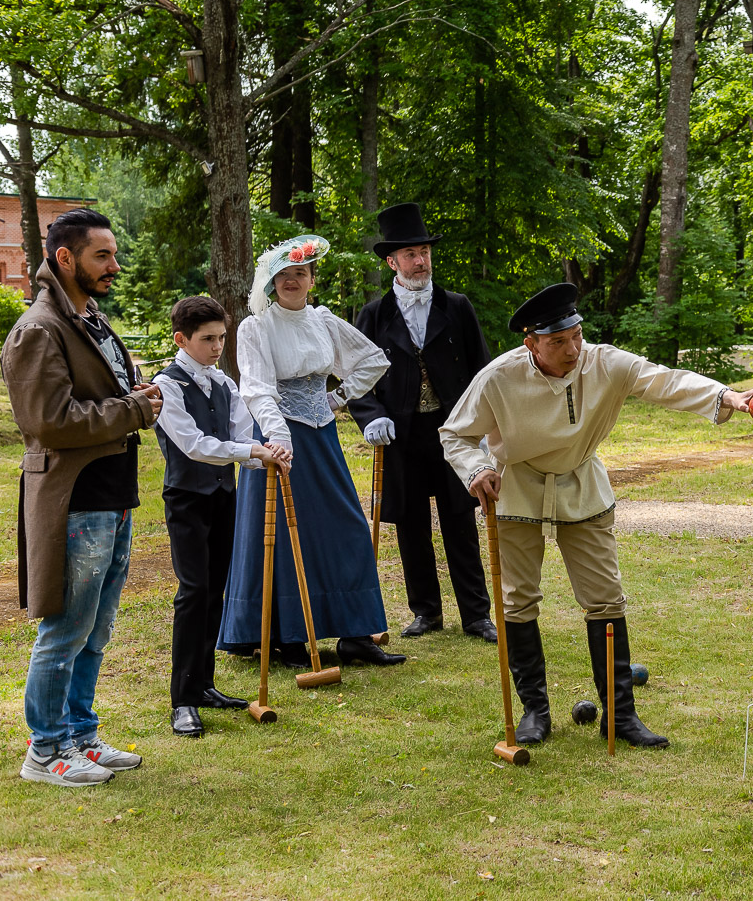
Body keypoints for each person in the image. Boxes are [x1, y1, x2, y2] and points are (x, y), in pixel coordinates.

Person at [439, 283, 753, 748]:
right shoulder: (499, 377)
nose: (572, 349)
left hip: (581, 483)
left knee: (605, 598)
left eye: (576, 335)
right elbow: (454, 434)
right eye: (557, 342)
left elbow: (664, 380)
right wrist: (477, 469)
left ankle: (619, 715)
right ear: (531, 343)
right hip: (516, 485)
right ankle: (535, 712)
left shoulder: (604, 362)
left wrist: (728, 398)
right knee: (518, 601)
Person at [4, 208, 161, 786]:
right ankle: (44, 752)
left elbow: (99, 394)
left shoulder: (88, 319)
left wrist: (132, 393)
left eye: (114, 255)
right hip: (74, 500)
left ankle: (80, 737)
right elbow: (48, 421)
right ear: (64, 258)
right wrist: (135, 409)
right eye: (103, 256)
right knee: (64, 630)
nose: (115, 266)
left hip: (111, 494)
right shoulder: (39, 329)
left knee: (95, 629)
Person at [216, 234, 405, 667]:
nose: (292, 280)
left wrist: (338, 400)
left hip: (322, 437)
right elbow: (258, 389)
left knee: (347, 528)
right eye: (284, 274)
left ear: (311, 279)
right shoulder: (256, 327)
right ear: (271, 282)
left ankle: (356, 635)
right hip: (280, 442)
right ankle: (285, 636)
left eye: (300, 273)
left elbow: (373, 359)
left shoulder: (323, 320)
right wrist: (279, 438)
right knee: (282, 535)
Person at [349, 203, 496, 643]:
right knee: (411, 526)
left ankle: (476, 615)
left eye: (425, 252)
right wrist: (371, 417)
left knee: (459, 522)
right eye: (410, 254)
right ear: (392, 262)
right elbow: (356, 378)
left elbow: (482, 370)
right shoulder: (373, 316)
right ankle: (426, 611)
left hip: (453, 433)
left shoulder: (457, 307)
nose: (420, 260)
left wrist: (483, 427)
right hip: (402, 436)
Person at [153, 296, 292, 737]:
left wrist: (266, 453)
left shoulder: (226, 385)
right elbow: (194, 445)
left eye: (221, 338)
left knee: (215, 592)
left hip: (221, 495)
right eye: (208, 339)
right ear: (181, 339)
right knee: (193, 592)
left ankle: (205, 684)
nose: (217, 347)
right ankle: (183, 700)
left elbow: (238, 437)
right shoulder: (167, 386)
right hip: (187, 498)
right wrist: (250, 450)